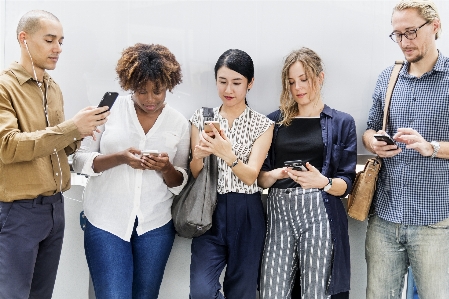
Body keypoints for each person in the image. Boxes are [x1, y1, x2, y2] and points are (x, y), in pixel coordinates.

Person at [0, 10, 109, 299]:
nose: (58, 48)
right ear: (23, 39)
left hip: (54, 209)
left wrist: (78, 133)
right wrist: (70, 127)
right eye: (49, 40)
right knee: (12, 295)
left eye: (61, 41)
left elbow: (53, 148)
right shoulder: (4, 87)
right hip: (18, 212)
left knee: (41, 295)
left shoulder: (52, 87)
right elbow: (8, 146)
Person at [72, 43, 190, 299]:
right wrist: (119, 158)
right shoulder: (107, 111)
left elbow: (180, 182)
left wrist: (166, 167)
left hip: (155, 226)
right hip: (106, 222)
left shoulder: (179, 123)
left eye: (157, 91)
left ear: (168, 85)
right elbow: (79, 161)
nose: (149, 99)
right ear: (129, 84)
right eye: (141, 90)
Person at [363, 0, 449, 298]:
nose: (403, 42)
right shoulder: (389, 77)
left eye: (410, 32)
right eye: (397, 35)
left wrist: (432, 147)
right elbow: (370, 128)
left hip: (434, 222)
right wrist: (373, 142)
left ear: (435, 26)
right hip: (385, 217)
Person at [258, 47, 357, 299]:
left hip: (320, 214)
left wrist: (321, 182)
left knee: (317, 291)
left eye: (304, 79)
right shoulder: (274, 122)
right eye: (291, 82)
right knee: (272, 290)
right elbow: (260, 176)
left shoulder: (342, 122)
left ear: (320, 78)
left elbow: (347, 183)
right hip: (279, 213)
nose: (298, 88)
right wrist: (276, 175)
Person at [189, 49, 274, 299]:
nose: (229, 89)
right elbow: (196, 173)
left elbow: (251, 176)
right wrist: (198, 155)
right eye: (222, 81)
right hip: (209, 210)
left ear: (250, 84)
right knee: (201, 291)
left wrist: (227, 153)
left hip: (247, 211)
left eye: (237, 83)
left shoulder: (262, 124)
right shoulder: (202, 118)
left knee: (242, 292)